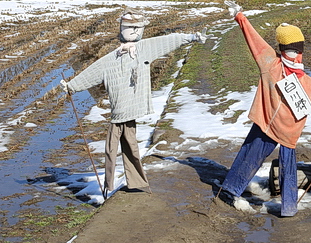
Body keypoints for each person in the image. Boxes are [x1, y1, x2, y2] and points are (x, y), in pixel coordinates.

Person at [218, 1, 311, 217]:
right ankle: (280, 204)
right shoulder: (280, 70)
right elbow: (255, 41)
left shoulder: (286, 72)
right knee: (268, 161)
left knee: (265, 161)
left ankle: (253, 196)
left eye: (295, 50)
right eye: (291, 50)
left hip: (276, 129)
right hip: (271, 126)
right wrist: (240, 18)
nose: (293, 54)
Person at [61, 11, 206, 198]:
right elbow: (92, 73)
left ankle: (120, 184)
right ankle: (117, 184)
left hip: (131, 108)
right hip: (119, 109)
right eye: (130, 28)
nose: (134, 32)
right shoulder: (111, 59)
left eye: (136, 28)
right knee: (115, 148)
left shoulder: (144, 49)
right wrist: (72, 86)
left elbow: (168, 41)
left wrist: (191, 37)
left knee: (123, 146)